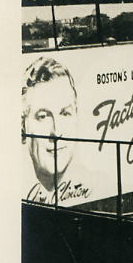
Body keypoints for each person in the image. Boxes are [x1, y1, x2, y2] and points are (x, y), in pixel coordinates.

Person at [21, 56, 78, 193]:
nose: (56, 132)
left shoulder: (100, 184)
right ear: (22, 127)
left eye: (65, 113)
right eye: (43, 116)